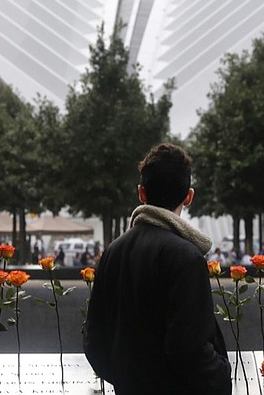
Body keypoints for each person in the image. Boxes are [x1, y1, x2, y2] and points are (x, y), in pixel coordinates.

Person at [84, 143, 231, 395]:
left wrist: (126, 378)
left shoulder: (113, 252)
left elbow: (94, 338)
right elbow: (189, 347)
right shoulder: (186, 257)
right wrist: (221, 376)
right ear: (189, 196)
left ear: (142, 193)